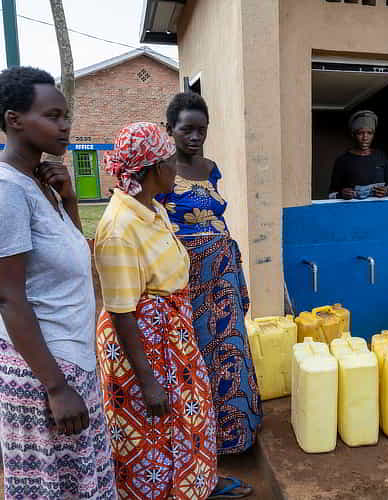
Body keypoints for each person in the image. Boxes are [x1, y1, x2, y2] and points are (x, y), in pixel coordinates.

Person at [95, 122, 252, 499]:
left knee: (189, 419)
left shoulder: (150, 209)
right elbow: (120, 311)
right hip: (144, 348)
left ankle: (197, 485)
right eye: (169, 161)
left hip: (173, 335)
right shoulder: (120, 227)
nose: (175, 169)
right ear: (151, 170)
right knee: (156, 436)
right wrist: (147, 381)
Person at [0, 66, 116, 499]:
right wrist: (56, 387)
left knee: (83, 485)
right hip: (43, 375)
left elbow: (66, 259)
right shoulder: (8, 190)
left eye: (66, 115)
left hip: (71, 360)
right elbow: (10, 298)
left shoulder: (39, 183)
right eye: (52, 116)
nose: (65, 125)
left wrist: (67, 198)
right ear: (15, 120)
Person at [156, 92, 263, 455]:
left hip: (223, 276)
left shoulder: (211, 167)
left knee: (230, 346)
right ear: (170, 129)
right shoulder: (162, 171)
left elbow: (218, 215)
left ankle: (240, 430)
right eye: (187, 129)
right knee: (196, 352)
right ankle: (203, 440)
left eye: (202, 130)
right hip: (189, 279)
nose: (195, 137)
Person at [329, 110, 388, 200]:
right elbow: (331, 195)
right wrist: (341, 194)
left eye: (369, 133)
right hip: (353, 211)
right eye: (360, 133)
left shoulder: (380, 156)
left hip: (380, 210)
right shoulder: (343, 160)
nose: (365, 138)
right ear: (353, 135)